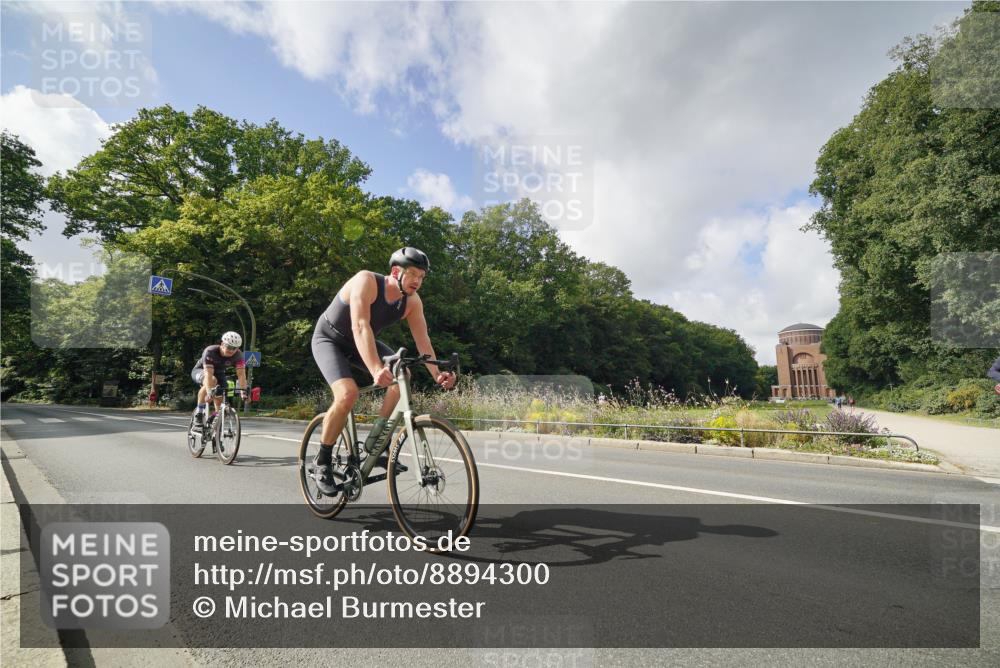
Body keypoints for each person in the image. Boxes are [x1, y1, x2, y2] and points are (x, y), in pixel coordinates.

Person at [310, 247, 455, 495]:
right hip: (330, 339)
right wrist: (376, 368)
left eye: (422, 276)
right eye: (412, 274)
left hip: (360, 342)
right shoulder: (365, 280)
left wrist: (437, 374)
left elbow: (423, 342)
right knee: (347, 394)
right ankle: (322, 461)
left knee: (402, 377)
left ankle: (377, 442)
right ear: (395, 271)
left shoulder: (412, 302)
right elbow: (360, 326)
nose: (417, 281)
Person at [191, 331, 248, 427]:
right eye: (229, 347)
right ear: (222, 344)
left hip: (219, 374)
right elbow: (208, 374)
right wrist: (209, 392)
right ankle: (199, 412)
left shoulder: (238, 355)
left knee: (220, 403)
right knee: (212, 380)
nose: (231, 350)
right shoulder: (210, 351)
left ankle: (214, 422)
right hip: (201, 371)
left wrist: (244, 392)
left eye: (235, 348)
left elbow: (241, 375)